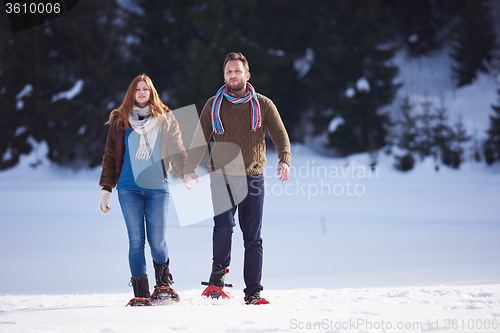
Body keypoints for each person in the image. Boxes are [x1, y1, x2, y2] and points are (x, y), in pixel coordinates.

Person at [183, 52, 291, 305]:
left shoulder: (263, 104)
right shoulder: (213, 104)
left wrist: (284, 159)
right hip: (221, 176)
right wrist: (189, 168)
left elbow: (280, 134)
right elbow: (200, 139)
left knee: (252, 236)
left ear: (247, 75)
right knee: (223, 227)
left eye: (237, 71)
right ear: (224, 76)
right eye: (229, 71)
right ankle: (216, 280)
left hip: (253, 177)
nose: (233, 75)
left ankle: (253, 291)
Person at [98, 74, 187, 306]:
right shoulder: (120, 120)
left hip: (158, 188)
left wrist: (185, 171)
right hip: (128, 188)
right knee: (136, 240)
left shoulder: (165, 118)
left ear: (151, 92)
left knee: (157, 241)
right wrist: (106, 189)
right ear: (131, 92)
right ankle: (141, 293)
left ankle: (163, 284)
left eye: (145, 89)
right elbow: (110, 156)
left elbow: (177, 149)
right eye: (137, 89)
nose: (141, 93)